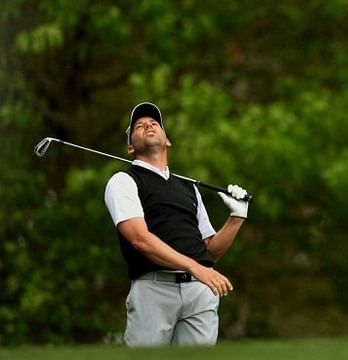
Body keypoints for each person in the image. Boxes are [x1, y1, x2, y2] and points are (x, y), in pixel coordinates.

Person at [104, 102, 249, 347]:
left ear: (167, 140)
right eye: (138, 126)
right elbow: (140, 239)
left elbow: (209, 252)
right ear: (130, 146)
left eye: (154, 123)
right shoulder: (123, 182)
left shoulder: (188, 188)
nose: (147, 125)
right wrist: (196, 267)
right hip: (154, 289)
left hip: (199, 293)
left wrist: (236, 218)